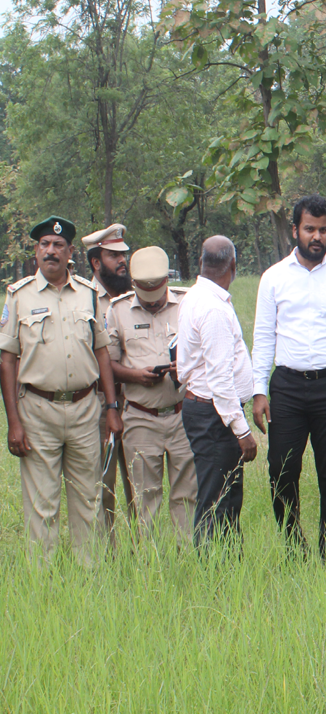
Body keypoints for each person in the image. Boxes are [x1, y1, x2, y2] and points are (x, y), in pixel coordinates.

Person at [251, 195, 326, 559]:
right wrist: (259, 390)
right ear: (295, 230)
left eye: (323, 229)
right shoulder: (273, 278)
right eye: (310, 229)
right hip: (287, 386)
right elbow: (263, 336)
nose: (317, 236)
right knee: (281, 470)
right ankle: (294, 546)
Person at [0, 216, 122, 565]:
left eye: (57, 246)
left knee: (89, 500)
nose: (50, 251)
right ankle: (45, 582)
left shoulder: (87, 294)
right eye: (44, 245)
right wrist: (14, 422)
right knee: (42, 504)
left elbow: (101, 352)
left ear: (70, 253)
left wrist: (111, 407)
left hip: (85, 409)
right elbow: (7, 362)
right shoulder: (18, 296)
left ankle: (92, 580)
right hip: (37, 410)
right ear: (36, 250)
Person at [106, 247, 196, 539]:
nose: (152, 300)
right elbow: (108, 364)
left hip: (182, 414)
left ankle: (187, 562)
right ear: (134, 284)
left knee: (187, 495)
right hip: (140, 416)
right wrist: (136, 376)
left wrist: (182, 367)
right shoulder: (118, 310)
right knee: (146, 497)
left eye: (156, 292)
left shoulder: (186, 303)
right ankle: (150, 565)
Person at [177, 235, 257, 548]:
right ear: (233, 265)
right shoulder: (212, 309)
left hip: (208, 409)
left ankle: (226, 567)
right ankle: (216, 575)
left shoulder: (196, 297)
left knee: (223, 494)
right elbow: (220, 379)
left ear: (202, 263)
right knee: (217, 500)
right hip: (213, 414)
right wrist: (241, 430)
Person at [83, 223, 134, 540]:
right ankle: (111, 553)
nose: (122, 261)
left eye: (124, 254)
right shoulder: (85, 299)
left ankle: (145, 551)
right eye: (113, 255)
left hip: (136, 403)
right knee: (104, 484)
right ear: (96, 262)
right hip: (101, 407)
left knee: (140, 484)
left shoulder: (134, 295)